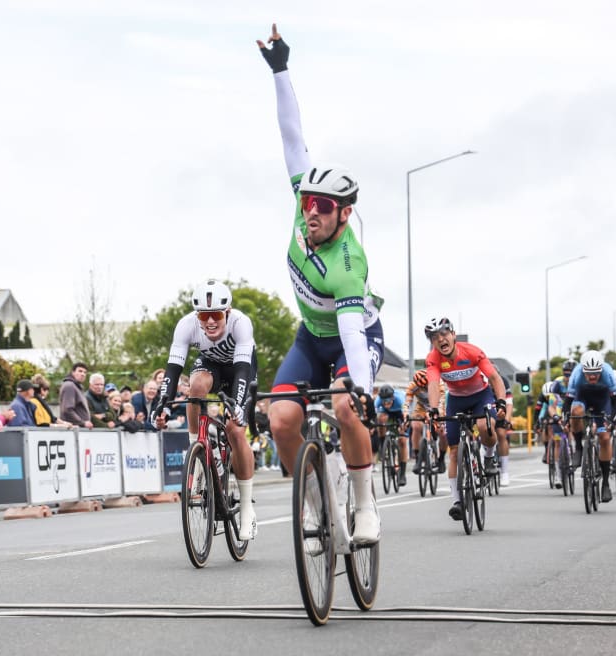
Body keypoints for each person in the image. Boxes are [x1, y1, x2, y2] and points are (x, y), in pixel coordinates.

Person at [258, 24, 384, 544]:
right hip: (310, 338)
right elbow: (292, 135)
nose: (312, 211)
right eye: (308, 202)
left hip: (354, 339)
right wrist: (280, 69)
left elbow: (352, 334)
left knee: (345, 407)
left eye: (324, 206)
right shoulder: (302, 204)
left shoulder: (347, 264)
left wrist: (364, 390)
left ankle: (365, 505)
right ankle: (317, 505)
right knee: (281, 420)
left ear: (345, 214)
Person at [152, 279, 259, 540]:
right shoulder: (186, 325)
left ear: (227, 312)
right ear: (197, 315)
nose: (210, 322)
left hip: (240, 371)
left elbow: (242, 370)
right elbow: (173, 370)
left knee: (235, 431)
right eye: (203, 316)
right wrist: (161, 404)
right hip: (211, 366)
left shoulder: (240, 323)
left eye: (216, 315)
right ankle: (197, 450)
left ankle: (247, 508)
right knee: (196, 386)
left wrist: (238, 406)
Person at [423, 317, 507, 521]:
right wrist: (433, 410)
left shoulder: (472, 352)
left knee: (484, 426)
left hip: (481, 397)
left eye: (444, 334)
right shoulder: (433, 358)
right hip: (456, 400)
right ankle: (457, 501)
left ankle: (489, 457)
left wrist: (501, 402)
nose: (440, 339)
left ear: (453, 335)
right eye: (434, 337)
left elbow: (494, 378)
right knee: (453, 452)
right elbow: (433, 384)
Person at [562, 350, 616, 503]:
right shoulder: (576, 374)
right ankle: (579, 447)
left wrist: (612, 420)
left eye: (596, 373)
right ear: (583, 370)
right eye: (588, 373)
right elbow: (567, 402)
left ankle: (605, 484)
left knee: (604, 438)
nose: (592, 376)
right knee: (575, 412)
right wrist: (565, 419)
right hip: (582, 398)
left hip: (603, 401)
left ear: (601, 369)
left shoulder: (608, 373)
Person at [406, 370, 447, 475]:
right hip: (421, 408)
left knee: (442, 433)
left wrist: (438, 415)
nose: (424, 389)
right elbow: (407, 402)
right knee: (415, 426)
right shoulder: (412, 386)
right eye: (422, 387)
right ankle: (417, 459)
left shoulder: (438, 383)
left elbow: (442, 401)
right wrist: (406, 414)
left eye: (426, 386)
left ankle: (441, 459)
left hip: (437, 406)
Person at [374, 385, 408, 487]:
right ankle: (383, 445)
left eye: (388, 401)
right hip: (387, 414)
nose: (386, 403)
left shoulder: (400, 399)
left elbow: (406, 416)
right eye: (384, 401)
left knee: (402, 440)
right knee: (380, 419)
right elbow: (374, 416)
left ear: (393, 398)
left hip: (400, 413)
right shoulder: (378, 401)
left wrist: (403, 426)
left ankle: (402, 473)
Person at [59, 363, 92, 428]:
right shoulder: (69, 386)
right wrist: (83, 423)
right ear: (73, 372)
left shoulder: (77, 387)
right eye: (80, 371)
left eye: (85, 372)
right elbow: (67, 410)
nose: (83, 374)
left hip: (78, 429)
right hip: (72, 429)